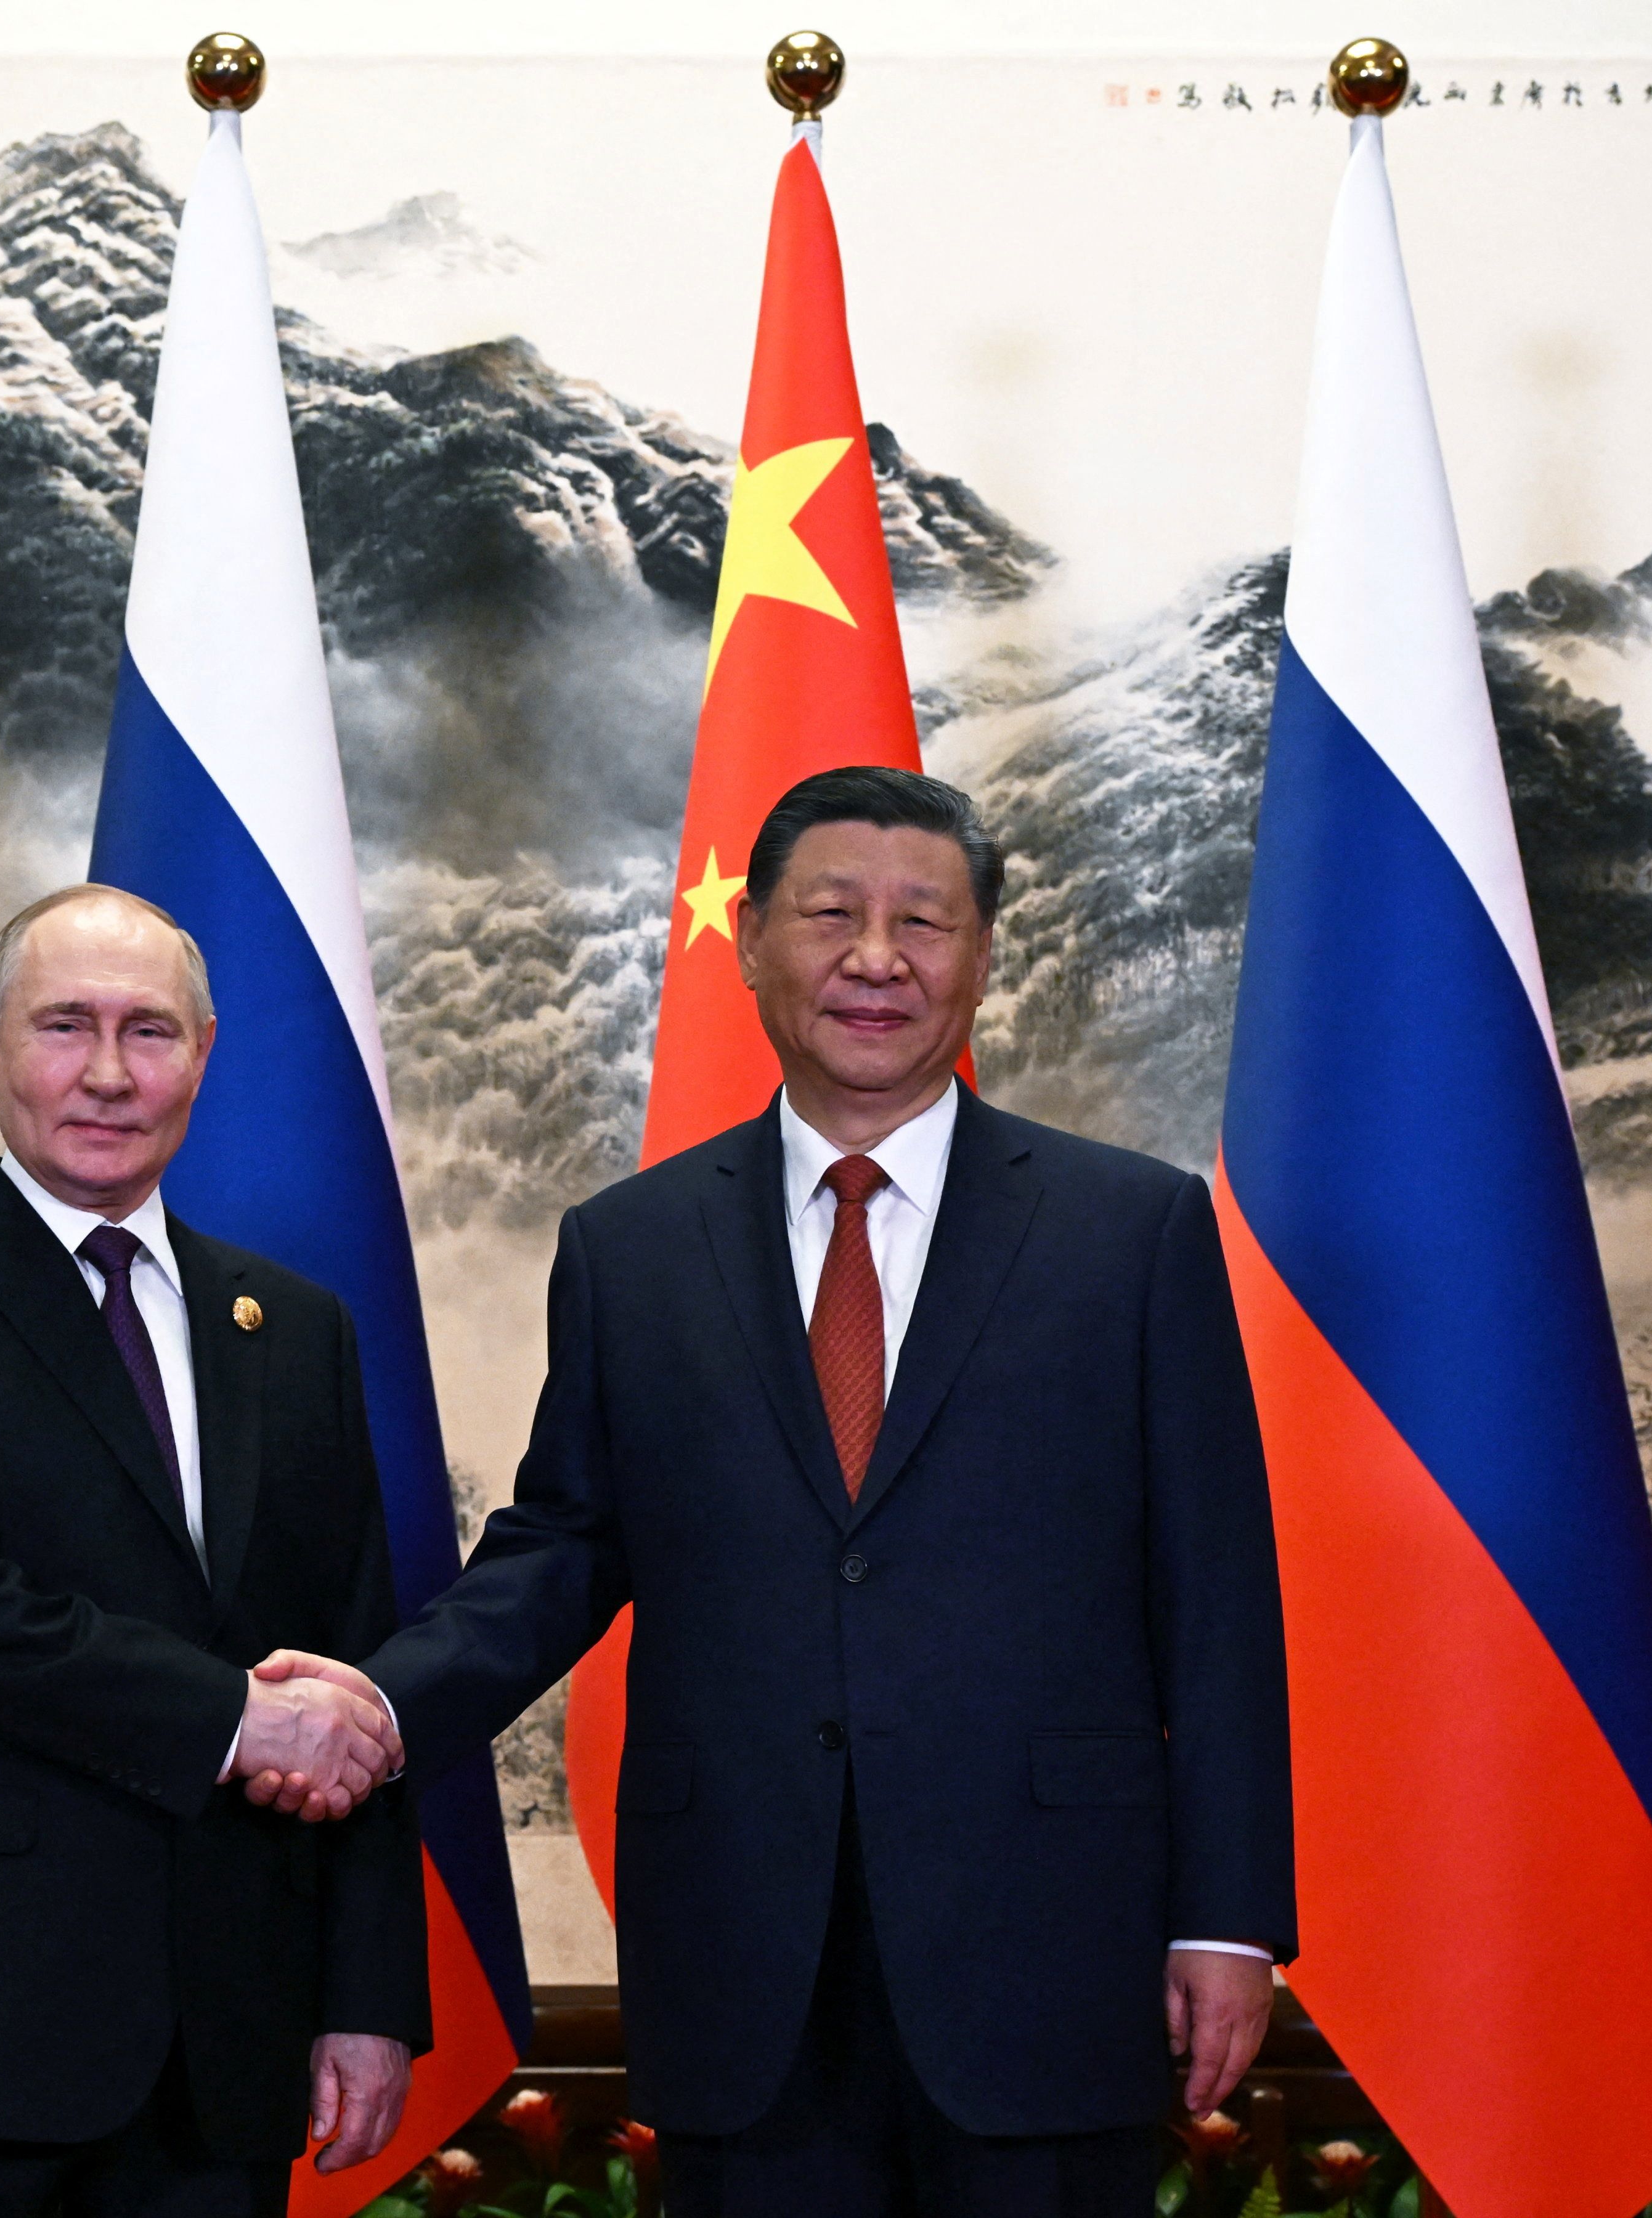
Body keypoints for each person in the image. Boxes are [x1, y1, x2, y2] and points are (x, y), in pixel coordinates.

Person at [256, 767, 1295, 2216]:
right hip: (741, 1948)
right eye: (831, 915)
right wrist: (377, 1705)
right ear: (748, 940)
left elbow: (1217, 1597)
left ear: (982, 953)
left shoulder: (1130, 1232)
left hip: (1049, 1942)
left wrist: (1230, 1918)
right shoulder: (632, 1246)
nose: (877, 959)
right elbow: (561, 1545)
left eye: (923, 921)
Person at [0, 884, 429, 2218]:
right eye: (65, 1026)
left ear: (205, 1053)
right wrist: (236, 1721)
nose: (109, 1074)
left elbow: (355, 1674)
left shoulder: (295, 1329)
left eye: (150, 1032)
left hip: (223, 2054)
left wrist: (366, 1997)